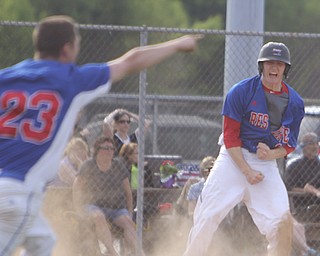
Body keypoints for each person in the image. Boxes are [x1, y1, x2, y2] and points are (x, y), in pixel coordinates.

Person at [0, 15, 202, 256]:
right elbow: (131, 61)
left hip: (8, 190)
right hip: (19, 194)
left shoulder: (6, 78)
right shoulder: (71, 79)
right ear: (67, 49)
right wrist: (178, 44)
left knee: (43, 243)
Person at [183, 42, 305, 256]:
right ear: (261, 66)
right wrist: (246, 171)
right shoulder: (241, 91)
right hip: (232, 158)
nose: (274, 68)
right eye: (269, 63)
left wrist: (271, 154)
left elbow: (289, 144)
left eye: (279, 64)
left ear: (286, 69)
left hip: (264, 164)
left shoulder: (294, 102)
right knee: (207, 215)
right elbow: (230, 137)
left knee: (281, 223)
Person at [73, 136, 138, 256]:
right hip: (93, 206)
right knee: (99, 217)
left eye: (112, 148)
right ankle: (113, 252)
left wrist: (129, 212)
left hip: (116, 208)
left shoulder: (118, 165)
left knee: (128, 222)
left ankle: (139, 253)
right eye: (106, 148)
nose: (110, 151)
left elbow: (128, 193)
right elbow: (76, 188)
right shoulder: (88, 165)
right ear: (97, 150)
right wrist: (79, 209)